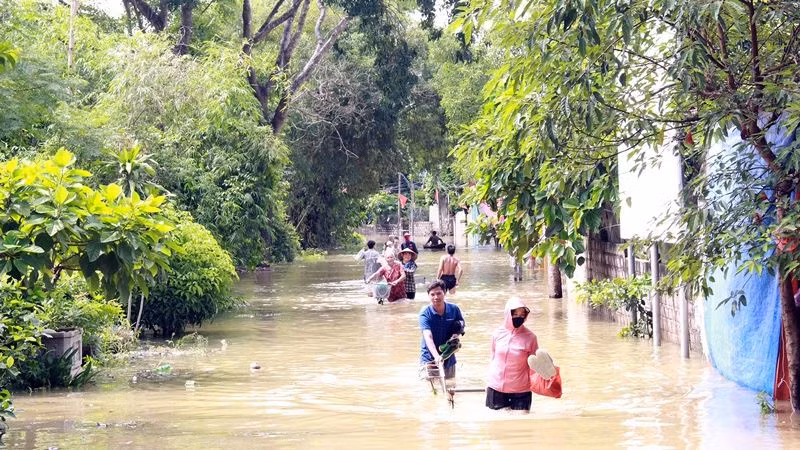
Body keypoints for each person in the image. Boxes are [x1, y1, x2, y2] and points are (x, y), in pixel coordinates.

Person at [485, 297, 539, 412]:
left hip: (521, 390)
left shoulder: (530, 337)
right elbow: (493, 358)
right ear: (508, 315)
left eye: (522, 314)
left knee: (521, 426)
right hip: (496, 387)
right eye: (515, 314)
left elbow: (535, 365)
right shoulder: (497, 334)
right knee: (496, 425)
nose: (518, 317)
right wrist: (489, 382)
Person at [419, 280, 465, 379]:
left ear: (444, 293)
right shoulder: (425, 313)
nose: (436, 297)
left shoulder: (454, 309)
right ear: (429, 296)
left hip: (448, 357)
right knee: (431, 390)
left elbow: (460, 325)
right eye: (432, 294)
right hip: (429, 358)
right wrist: (436, 357)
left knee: (450, 388)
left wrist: (455, 336)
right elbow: (428, 336)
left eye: (439, 293)